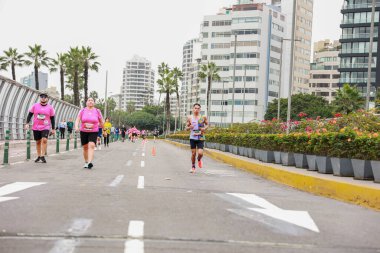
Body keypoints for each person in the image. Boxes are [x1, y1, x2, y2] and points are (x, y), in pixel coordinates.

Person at [25, 91, 56, 163]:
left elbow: (52, 118)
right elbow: (30, 114)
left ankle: (42, 156)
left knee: (44, 140)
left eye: (45, 97)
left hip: (46, 126)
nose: (43, 98)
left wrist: (53, 128)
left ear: (47, 99)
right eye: (41, 97)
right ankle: (39, 156)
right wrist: (27, 123)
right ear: (40, 98)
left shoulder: (50, 108)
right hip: (36, 126)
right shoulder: (35, 106)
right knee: (38, 142)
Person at [75, 97, 104, 169]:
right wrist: (76, 127)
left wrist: (104, 130)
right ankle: (86, 161)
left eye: (92, 100)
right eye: (89, 100)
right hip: (84, 131)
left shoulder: (97, 111)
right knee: (85, 147)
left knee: (91, 145)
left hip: (93, 131)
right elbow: (77, 120)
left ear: (94, 103)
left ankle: (90, 162)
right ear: (86, 102)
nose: (90, 102)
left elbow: (101, 121)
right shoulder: (82, 110)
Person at [186, 103, 209, 173]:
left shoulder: (203, 117)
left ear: (200, 109)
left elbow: (207, 124)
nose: (196, 110)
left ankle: (199, 159)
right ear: (193, 109)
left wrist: (204, 128)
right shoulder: (190, 117)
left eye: (198, 108)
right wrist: (189, 127)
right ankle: (193, 166)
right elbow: (186, 128)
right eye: (195, 108)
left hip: (200, 137)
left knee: (200, 153)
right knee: (193, 153)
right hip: (192, 137)